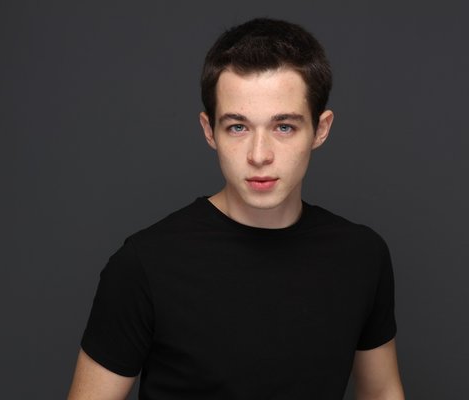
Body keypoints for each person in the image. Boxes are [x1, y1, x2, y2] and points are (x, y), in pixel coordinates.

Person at [67, 18, 404, 400]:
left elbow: (382, 392)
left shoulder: (361, 256)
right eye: (238, 127)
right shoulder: (144, 265)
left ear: (320, 129)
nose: (259, 155)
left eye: (284, 127)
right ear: (209, 130)